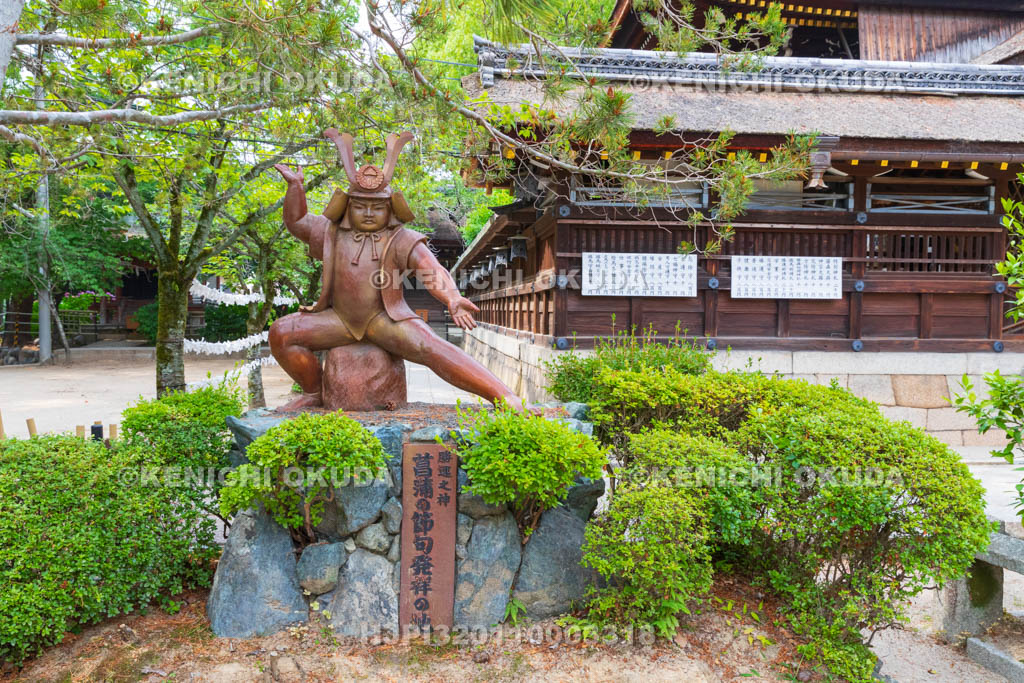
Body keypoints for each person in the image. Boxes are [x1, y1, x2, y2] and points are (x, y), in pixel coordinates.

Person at [269, 129, 522, 411]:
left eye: (376, 208)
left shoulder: (402, 238)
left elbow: (432, 269)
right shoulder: (330, 231)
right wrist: (295, 188)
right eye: (360, 206)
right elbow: (297, 221)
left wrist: (451, 297)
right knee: (281, 333)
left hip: (384, 319)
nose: (368, 213)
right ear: (347, 207)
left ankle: (504, 396)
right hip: (337, 320)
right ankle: (314, 392)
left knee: (431, 347)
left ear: (389, 209)